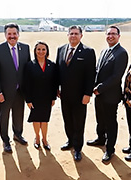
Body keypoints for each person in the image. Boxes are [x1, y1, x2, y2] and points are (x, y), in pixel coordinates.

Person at [87, 26, 128, 162]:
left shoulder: (121, 53)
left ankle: (110, 149)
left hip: (110, 95)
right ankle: (100, 139)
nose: (111, 36)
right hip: (99, 94)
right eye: (108, 34)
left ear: (119, 36)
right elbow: (98, 71)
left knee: (110, 122)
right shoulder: (105, 50)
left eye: (113, 34)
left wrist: (100, 88)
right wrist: (93, 86)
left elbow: (116, 76)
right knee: (100, 119)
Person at [56, 25, 96, 161]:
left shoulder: (88, 51)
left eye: (76, 33)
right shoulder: (61, 49)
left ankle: (78, 148)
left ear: (81, 36)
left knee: (79, 122)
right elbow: (58, 71)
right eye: (71, 33)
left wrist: (87, 94)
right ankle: (70, 141)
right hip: (64, 95)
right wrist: (57, 88)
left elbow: (91, 75)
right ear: (67, 35)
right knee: (67, 120)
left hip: (80, 96)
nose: (73, 36)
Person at [0, 23, 31, 153]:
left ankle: (18, 134)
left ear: (18, 34)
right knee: (4, 116)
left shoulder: (25, 48)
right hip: (4, 92)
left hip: (21, 91)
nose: (12, 36)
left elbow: (28, 70)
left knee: (19, 115)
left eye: (14, 34)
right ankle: (5, 140)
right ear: (5, 35)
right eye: (9, 34)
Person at [24, 41, 57, 151]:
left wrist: (53, 97)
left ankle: (44, 139)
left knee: (45, 119)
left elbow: (54, 83)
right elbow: (26, 84)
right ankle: (37, 137)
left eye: (43, 49)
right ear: (35, 51)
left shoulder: (52, 65)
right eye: (39, 49)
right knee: (36, 119)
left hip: (47, 98)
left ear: (47, 51)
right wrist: (28, 100)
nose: (41, 52)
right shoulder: (29, 65)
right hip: (34, 98)